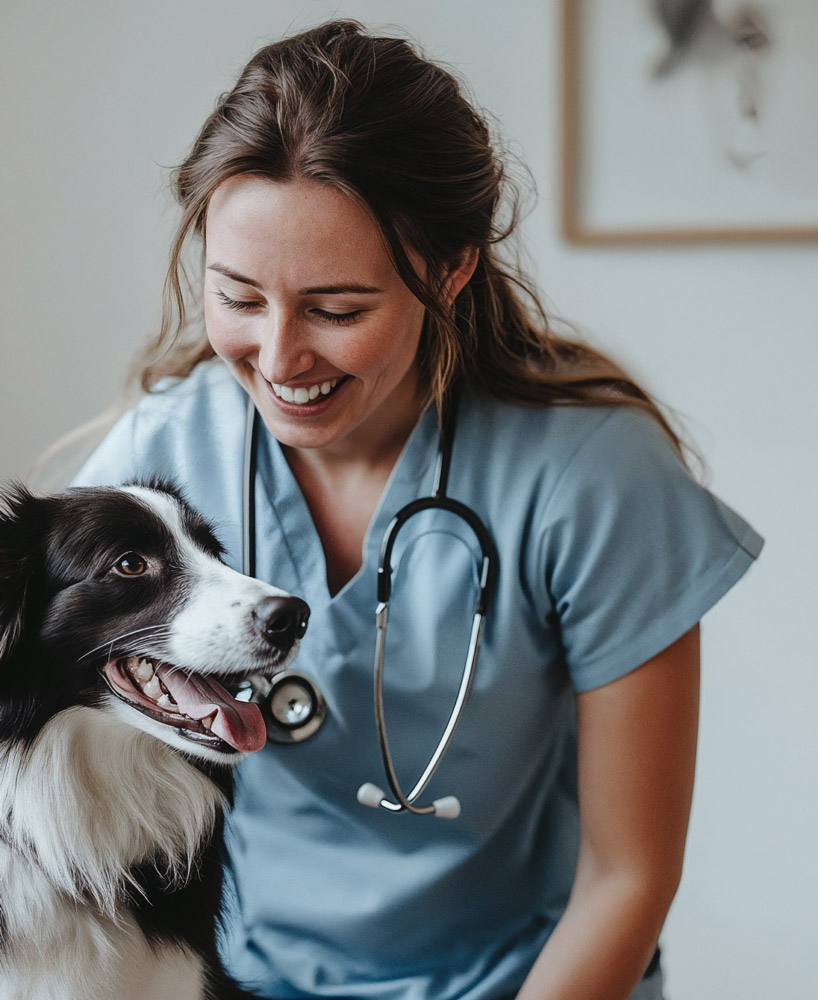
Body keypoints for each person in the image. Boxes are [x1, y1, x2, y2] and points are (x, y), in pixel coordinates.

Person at [73, 19, 762, 1000]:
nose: (277, 359)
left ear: (449, 270)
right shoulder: (164, 457)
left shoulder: (591, 476)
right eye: (236, 297)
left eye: (337, 309)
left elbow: (627, 875)